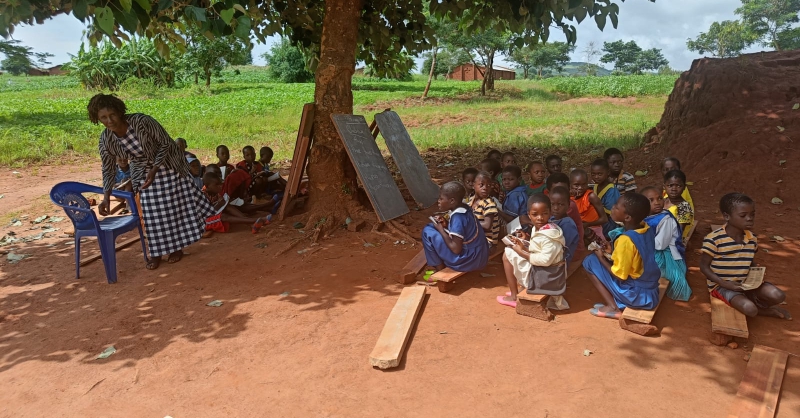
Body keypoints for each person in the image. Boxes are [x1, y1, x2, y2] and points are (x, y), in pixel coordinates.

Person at [92, 93, 215, 270]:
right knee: (152, 214)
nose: (109, 120)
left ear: (119, 111)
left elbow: (166, 143)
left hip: (168, 165)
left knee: (173, 210)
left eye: (112, 115)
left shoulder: (142, 121)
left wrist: (155, 169)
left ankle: (176, 249)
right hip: (143, 172)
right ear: (98, 119)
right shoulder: (106, 140)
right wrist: (106, 196)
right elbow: (108, 168)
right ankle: (156, 253)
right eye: (103, 117)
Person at [700, 193, 791, 320]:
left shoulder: (752, 239)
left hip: (746, 284)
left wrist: (756, 275)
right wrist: (724, 284)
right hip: (721, 286)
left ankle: (757, 303)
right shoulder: (714, 239)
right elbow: (704, 267)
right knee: (750, 309)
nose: (749, 218)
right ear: (727, 216)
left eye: (752, 214)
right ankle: (760, 309)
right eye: (743, 215)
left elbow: (749, 261)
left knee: (778, 295)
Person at [582, 193, 661, 319]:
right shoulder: (646, 229)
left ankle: (613, 307)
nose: (612, 208)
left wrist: (601, 257)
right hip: (650, 293)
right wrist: (612, 251)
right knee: (597, 260)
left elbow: (620, 276)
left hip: (637, 296)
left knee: (590, 261)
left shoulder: (625, 240)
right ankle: (619, 302)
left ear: (628, 217)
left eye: (616, 207)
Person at [498, 194, 566, 308]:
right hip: (547, 273)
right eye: (535, 214)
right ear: (529, 215)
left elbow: (544, 261)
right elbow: (539, 249)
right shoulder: (543, 228)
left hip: (547, 278)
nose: (540, 218)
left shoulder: (549, 235)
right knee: (511, 249)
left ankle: (514, 296)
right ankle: (517, 290)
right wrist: (524, 244)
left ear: (550, 213)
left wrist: (521, 252)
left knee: (507, 254)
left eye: (544, 213)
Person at [421, 182, 489, 273]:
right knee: (431, 226)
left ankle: (440, 269)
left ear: (452, 201)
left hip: (469, 261)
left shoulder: (457, 217)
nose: (439, 201)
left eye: (441, 198)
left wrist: (441, 229)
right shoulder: (465, 208)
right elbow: (464, 229)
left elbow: (456, 249)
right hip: (480, 255)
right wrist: (446, 224)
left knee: (427, 232)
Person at [641, 186, 691, 301]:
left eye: (659, 198)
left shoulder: (666, 219)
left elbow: (660, 245)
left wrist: (639, 241)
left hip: (667, 254)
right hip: (652, 247)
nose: (657, 202)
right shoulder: (647, 216)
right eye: (651, 200)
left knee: (649, 271)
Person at [202, 172, 268, 237]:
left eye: (220, 184)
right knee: (223, 216)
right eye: (216, 184)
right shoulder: (201, 196)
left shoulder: (215, 193)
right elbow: (207, 213)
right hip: (202, 222)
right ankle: (256, 220)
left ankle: (250, 224)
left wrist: (222, 203)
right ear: (207, 186)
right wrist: (219, 204)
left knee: (228, 206)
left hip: (213, 215)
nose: (220, 186)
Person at [570, 169, 608, 246]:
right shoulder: (569, 197)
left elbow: (604, 219)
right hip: (579, 230)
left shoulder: (591, 196)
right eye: (576, 185)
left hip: (594, 230)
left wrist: (587, 224)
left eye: (583, 184)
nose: (580, 188)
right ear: (570, 185)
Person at [546, 173, 584, 249]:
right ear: (548, 193)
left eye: (564, 191)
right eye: (556, 191)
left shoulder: (568, 206)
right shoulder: (548, 204)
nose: (556, 208)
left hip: (570, 249)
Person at [590, 158, 621, 239]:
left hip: (609, 224)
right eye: (593, 174)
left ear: (607, 173)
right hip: (599, 219)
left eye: (600, 174)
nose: (596, 177)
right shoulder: (596, 186)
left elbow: (610, 212)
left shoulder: (611, 190)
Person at [549, 186, 580, 264]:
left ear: (568, 205)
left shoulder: (568, 224)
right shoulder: (552, 219)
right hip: (550, 254)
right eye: (552, 204)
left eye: (560, 204)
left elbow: (562, 247)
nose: (556, 208)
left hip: (560, 262)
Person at [470, 171, 501, 249]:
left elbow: (487, 225)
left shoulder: (489, 204)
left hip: (487, 242)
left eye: (489, 185)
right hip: (476, 238)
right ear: (473, 185)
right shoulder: (471, 201)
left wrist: (468, 221)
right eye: (481, 185)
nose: (485, 188)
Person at [663, 169, 694, 241]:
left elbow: (678, 231)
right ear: (664, 186)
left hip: (673, 242)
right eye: (670, 185)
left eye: (678, 186)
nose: (674, 189)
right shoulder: (662, 201)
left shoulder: (684, 207)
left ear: (684, 187)